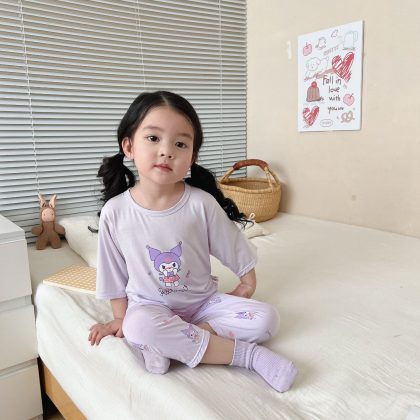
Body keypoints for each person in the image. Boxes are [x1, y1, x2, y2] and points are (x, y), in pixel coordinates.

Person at [88, 91, 297, 392]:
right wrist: (119, 318)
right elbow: (114, 274)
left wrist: (247, 285)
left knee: (267, 319)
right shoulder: (116, 212)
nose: (166, 151)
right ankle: (249, 357)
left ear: (192, 157)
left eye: (181, 144)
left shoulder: (201, 203)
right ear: (129, 146)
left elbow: (232, 245)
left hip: (203, 305)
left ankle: (175, 344)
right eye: (153, 138)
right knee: (138, 326)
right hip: (150, 307)